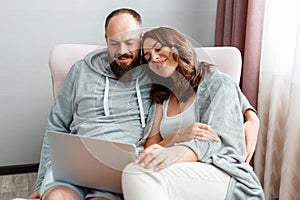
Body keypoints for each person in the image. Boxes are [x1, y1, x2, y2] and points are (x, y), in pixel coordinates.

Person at [29, 8, 259, 200]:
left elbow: (205, 77)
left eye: (129, 42)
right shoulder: (80, 71)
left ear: (140, 40)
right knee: (56, 197)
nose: (122, 51)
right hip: (77, 161)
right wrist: (40, 183)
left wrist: (250, 114)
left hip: (119, 169)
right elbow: (56, 125)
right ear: (105, 39)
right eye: (114, 43)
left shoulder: (154, 72)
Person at [121, 27, 265, 199]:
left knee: (136, 173)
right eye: (148, 57)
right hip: (177, 171)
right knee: (136, 170)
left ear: (176, 47)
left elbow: (217, 141)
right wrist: (177, 136)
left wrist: (176, 152)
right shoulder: (161, 97)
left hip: (220, 172)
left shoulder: (217, 83)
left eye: (158, 49)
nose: (154, 57)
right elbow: (150, 148)